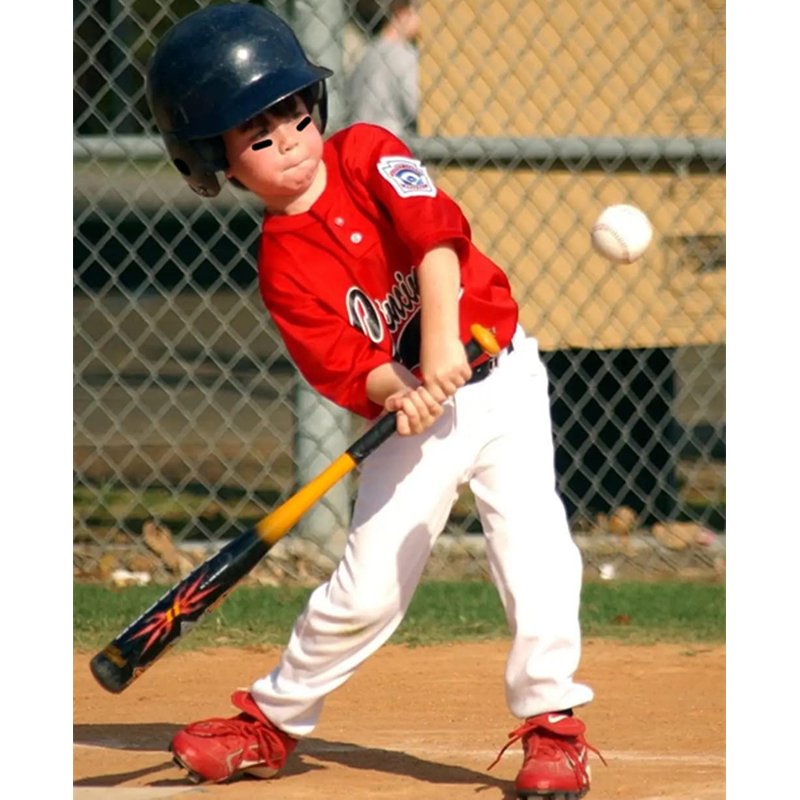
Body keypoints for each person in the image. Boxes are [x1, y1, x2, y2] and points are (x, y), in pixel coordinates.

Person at [145, 4, 602, 798]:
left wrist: (441, 344)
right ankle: (272, 721)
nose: (289, 141)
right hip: (412, 422)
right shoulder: (283, 265)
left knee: (536, 552)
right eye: (258, 138)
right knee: (366, 588)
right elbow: (345, 365)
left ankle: (553, 726)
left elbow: (436, 240)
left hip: (500, 377)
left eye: (293, 116)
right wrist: (398, 389)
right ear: (217, 163)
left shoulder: (367, 151)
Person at [347, 0, 420, 137]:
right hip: (392, 139)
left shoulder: (367, 52)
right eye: (416, 11)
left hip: (358, 136)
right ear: (401, 13)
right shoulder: (404, 54)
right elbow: (416, 107)